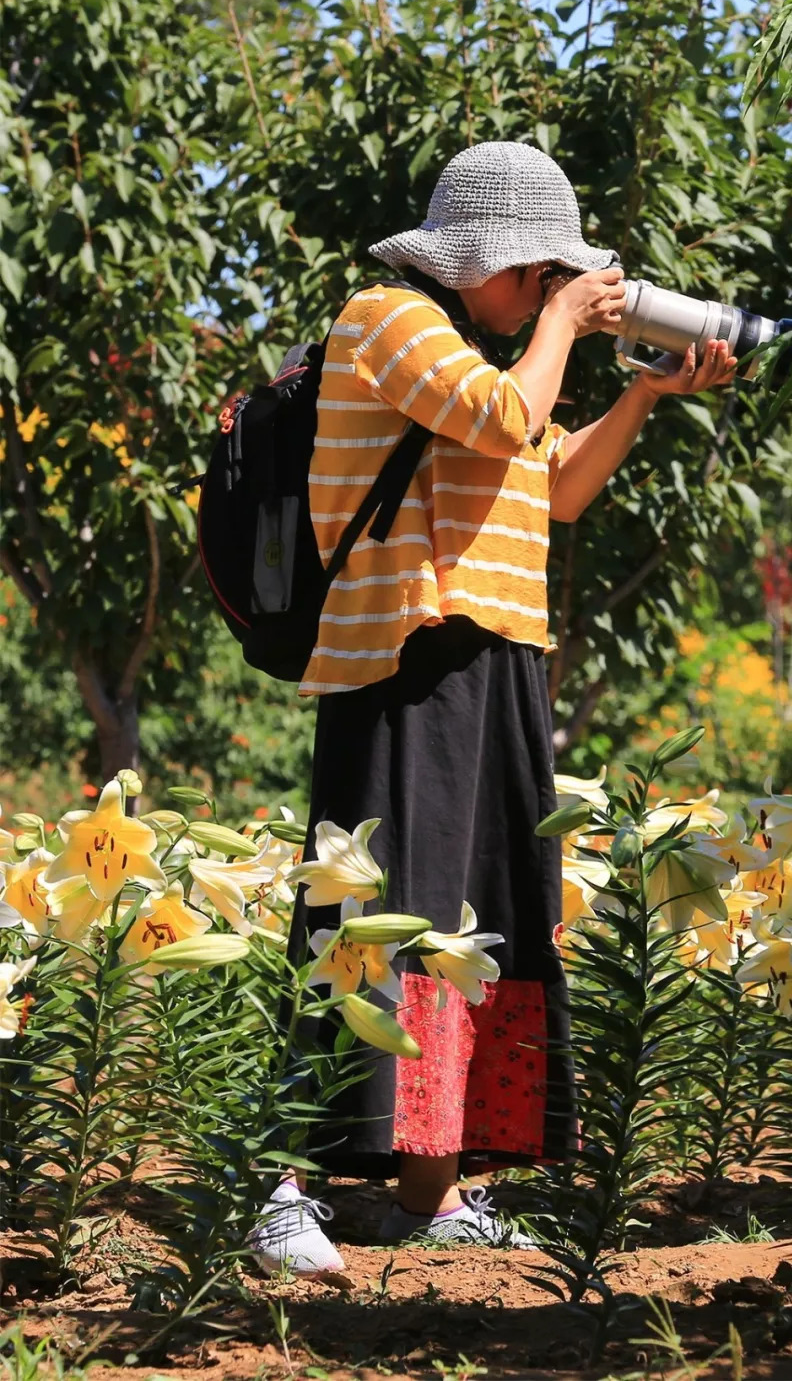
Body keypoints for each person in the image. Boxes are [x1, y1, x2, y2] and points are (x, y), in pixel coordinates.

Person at [249, 141, 737, 1274]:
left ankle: (430, 1192)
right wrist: (570, 321)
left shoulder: (487, 358)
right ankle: (276, 1182)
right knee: (373, 921)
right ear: (488, 258)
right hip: (405, 660)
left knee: (484, 925)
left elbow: (556, 483)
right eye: (539, 276)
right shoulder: (386, 319)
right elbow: (507, 423)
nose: (544, 298)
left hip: (503, 662)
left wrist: (643, 393)